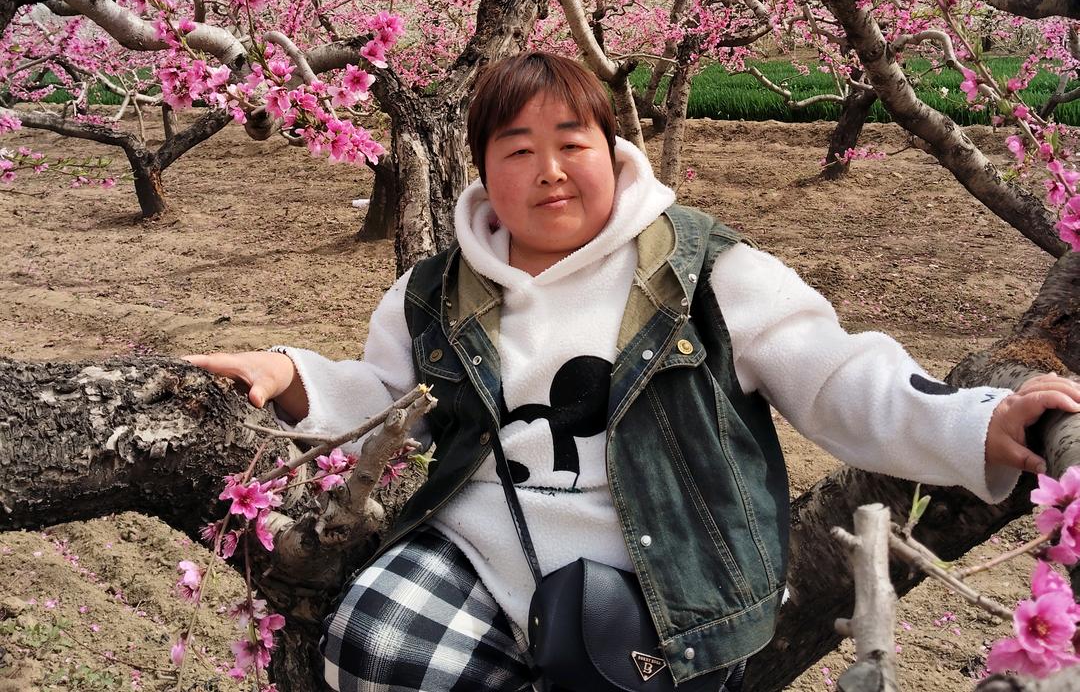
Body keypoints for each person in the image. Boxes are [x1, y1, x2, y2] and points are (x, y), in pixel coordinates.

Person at [188, 51, 1080, 692]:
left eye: (571, 142)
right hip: (483, 554)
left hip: (664, 577)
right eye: (516, 149)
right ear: (482, 171)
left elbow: (838, 377)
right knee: (373, 644)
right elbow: (390, 406)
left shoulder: (705, 272)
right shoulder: (433, 291)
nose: (548, 172)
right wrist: (292, 374)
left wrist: (977, 421)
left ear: (613, 152)